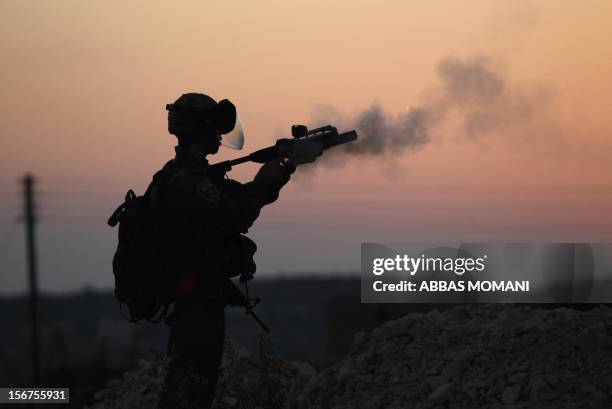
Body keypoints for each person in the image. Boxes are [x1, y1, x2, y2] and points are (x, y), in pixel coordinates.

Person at [155, 93, 322, 409]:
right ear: (202, 129)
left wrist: (280, 169)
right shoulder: (189, 181)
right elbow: (237, 214)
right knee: (193, 379)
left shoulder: (188, 174)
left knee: (195, 377)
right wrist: (271, 175)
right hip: (195, 293)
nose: (219, 135)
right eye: (216, 127)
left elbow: (240, 198)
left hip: (198, 292)